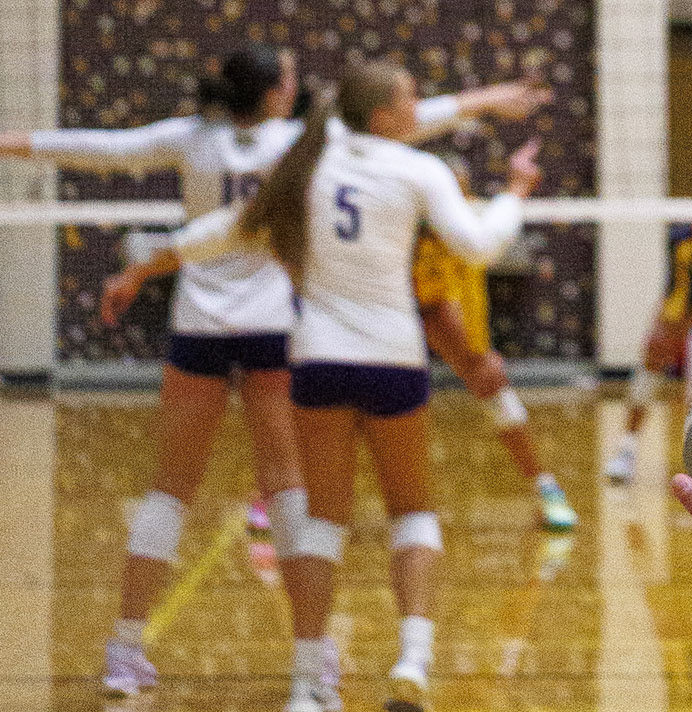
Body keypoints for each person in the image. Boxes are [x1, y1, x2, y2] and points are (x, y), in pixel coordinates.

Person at [0, 49, 544, 700]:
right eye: (289, 77)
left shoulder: (201, 140)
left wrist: (16, 145)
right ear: (278, 95)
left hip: (205, 327)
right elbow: (400, 124)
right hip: (285, 333)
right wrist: (484, 105)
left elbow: (106, 149)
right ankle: (325, 667)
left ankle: (125, 649)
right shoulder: (306, 146)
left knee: (173, 490)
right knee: (301, 495)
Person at [412, 205, 577, 531]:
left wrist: (477, 353)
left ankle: (546, 489)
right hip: (392, 325)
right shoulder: (416, 237)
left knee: (494, 389)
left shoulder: (469, 229)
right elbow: (438, 308)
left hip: (449, 321)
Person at [605, 219, 692, 484]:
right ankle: (626, 450)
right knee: (650, 365)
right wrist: (663, 327)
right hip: (683, 317)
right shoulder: (681, 243)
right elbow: (674, 293)